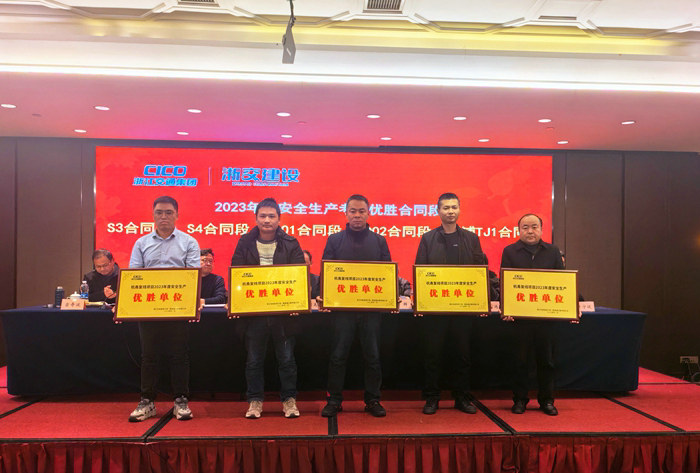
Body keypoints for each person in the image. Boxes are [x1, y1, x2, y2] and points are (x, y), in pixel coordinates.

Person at [414, 192, 493, 415]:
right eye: (446, 208)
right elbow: (420, 271)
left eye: (454, 207)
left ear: (459, 209)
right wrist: (420, 301)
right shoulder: (428, 238)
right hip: (435, 309)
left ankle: (461, 397)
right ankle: (432, 398)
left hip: (463, 309)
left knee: (462, 355)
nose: (450, 211)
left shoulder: (471, 238)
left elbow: (480, 272)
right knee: (433, 355)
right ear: (438, 211)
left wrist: (481, 301)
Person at [127, 196, 200, 422]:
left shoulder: (189, 242)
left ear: (177, 215)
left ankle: (181, 401)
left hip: (178, 308)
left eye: (168, 212)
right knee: (149, 356)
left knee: (179, 355)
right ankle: (147, 401)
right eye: (159, 212)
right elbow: (134, 276)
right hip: (149, 309)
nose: (164, 217)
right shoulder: (141, 243)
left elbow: (193, 276)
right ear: (153, 215)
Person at [231, 198, 305, 419]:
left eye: (271, 216)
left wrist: (297, 302)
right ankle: (255, 401)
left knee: (287, 360)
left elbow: (298, 275)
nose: (267, 220)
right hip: (255, 314)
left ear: (279, 219)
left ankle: (289, 400)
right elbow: (237, 272)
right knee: (254, 360)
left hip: (283, 314)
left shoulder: (291, 243)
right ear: (256, 219)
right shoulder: (245, 242)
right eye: (262, 216)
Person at [319, 194, 392, 418]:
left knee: (373, 356)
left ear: (368, 214)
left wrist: (390, 296)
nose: (357, 215)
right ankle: (334, 400)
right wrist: (324, 295)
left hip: (371, 311)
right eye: (353, 211)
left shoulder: (379, 241)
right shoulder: (334, 240)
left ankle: (373, 400)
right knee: (338, 356)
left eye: (361, 211)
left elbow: (387, 274)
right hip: (342, 310)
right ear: (346, 213)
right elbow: (326, 273)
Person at [501, 213, 564, 416]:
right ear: (519, 230)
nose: (530, 231)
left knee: (547, 361)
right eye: (525, 227)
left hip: (546, 317)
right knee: (520, 361)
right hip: (520, 318)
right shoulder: (510, 251)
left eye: (534, 227)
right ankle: (520, 400)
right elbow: (505, 282)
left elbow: (562, 282)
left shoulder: (553, 252)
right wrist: (506, 308)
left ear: (541, 229)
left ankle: (547, 400)